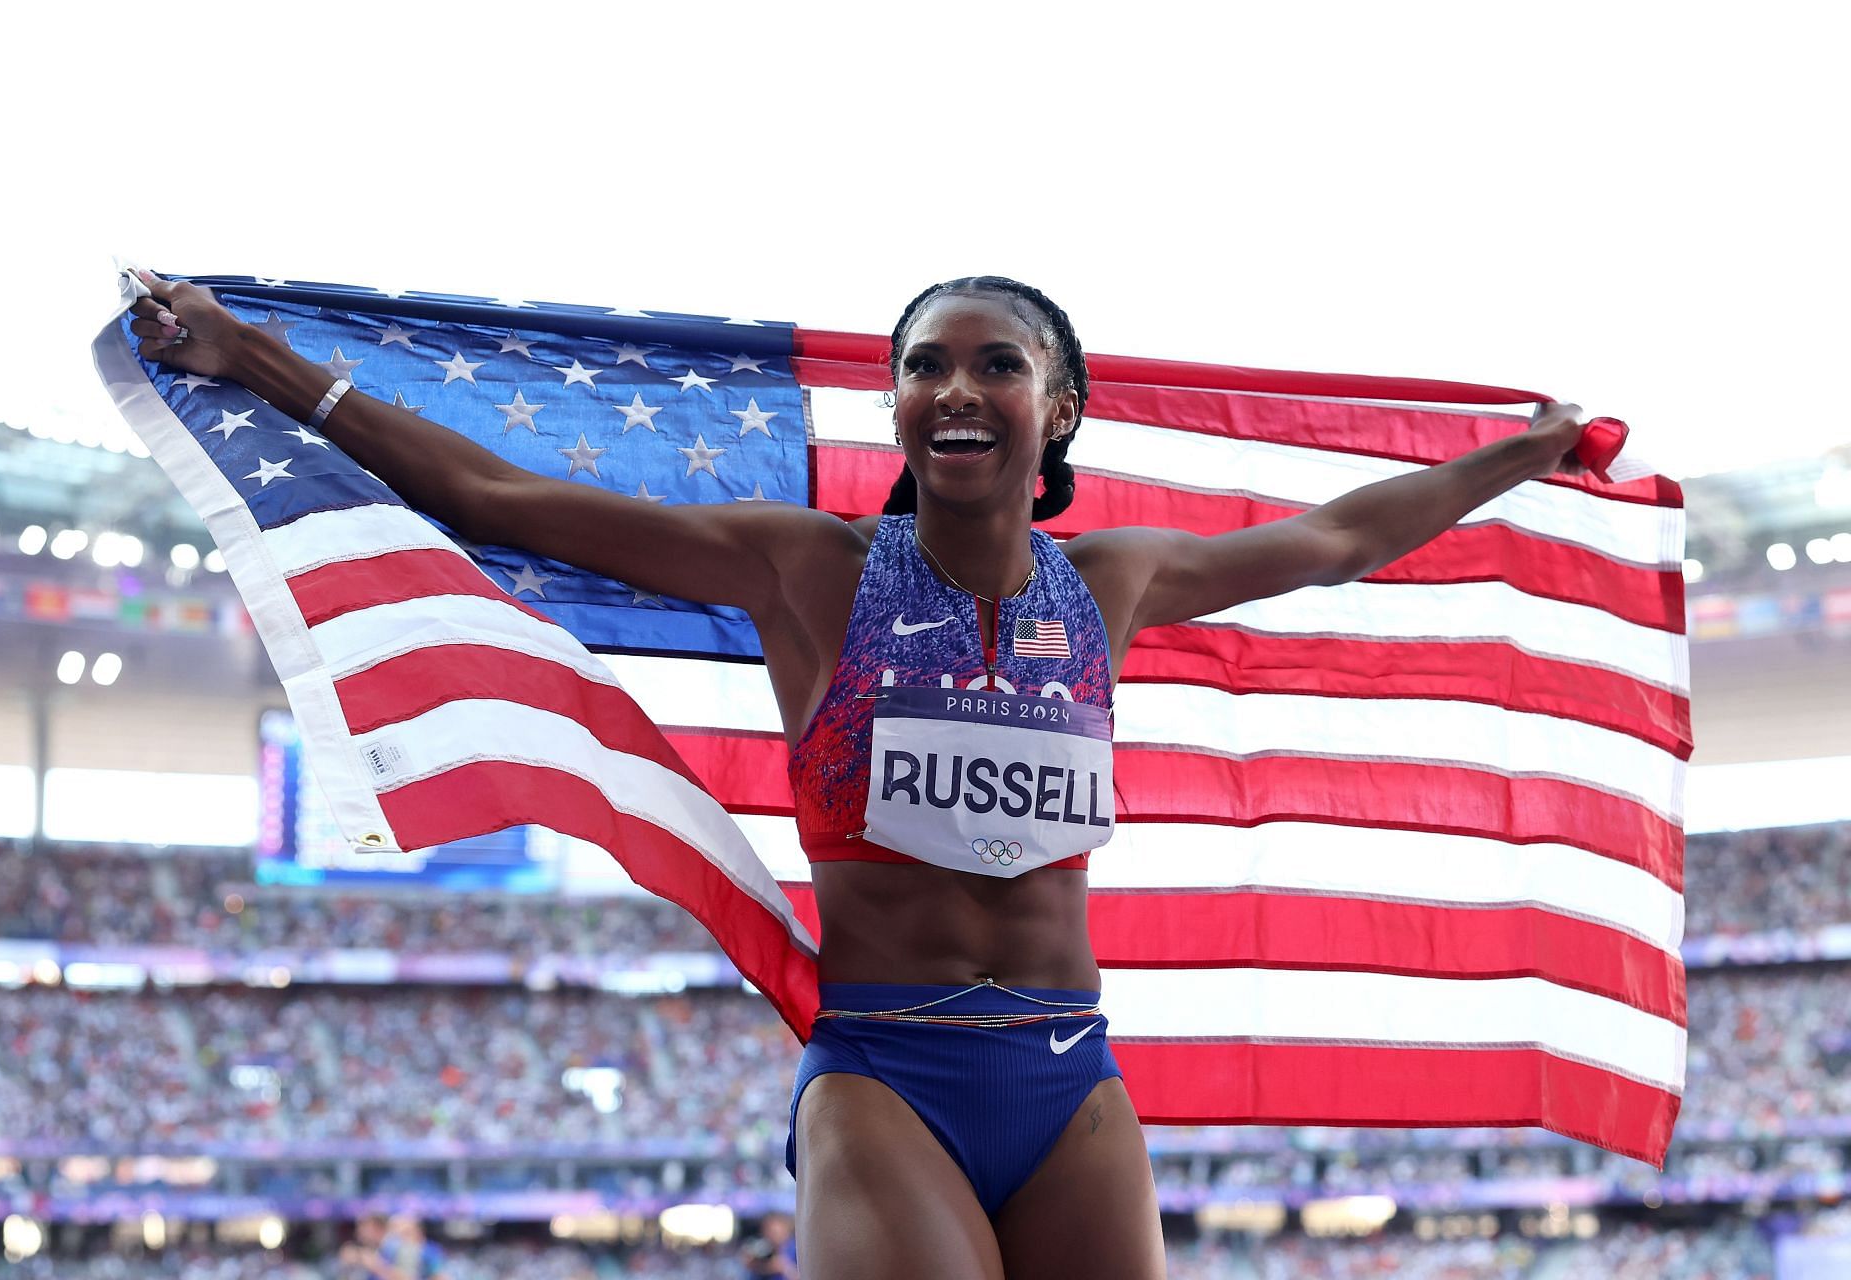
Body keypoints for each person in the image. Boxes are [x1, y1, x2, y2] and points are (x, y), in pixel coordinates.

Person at [130, 271, 1588, 1278]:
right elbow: (497, 497)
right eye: (924, 366)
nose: (955, 388)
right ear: (894, 408)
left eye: (994, 364)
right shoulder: (803, 569)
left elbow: (1336, 538)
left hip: (1072, 1068)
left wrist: (1515, 459)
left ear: (1059, 409)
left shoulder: (1120, 580)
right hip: (888, 1071)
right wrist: (252, 358)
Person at [741, 1211, 799, 1279]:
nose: (772, 1235)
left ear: (786, 1230)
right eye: (768, 1230)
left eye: (775, 1232)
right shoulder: (761, 1249)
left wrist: (784, 1268)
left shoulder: (797, 1250)